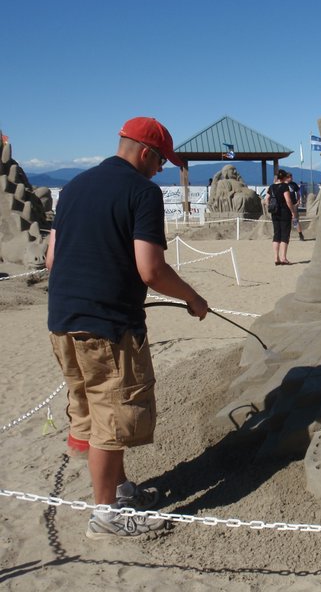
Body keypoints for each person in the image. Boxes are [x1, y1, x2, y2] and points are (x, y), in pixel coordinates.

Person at [46, 116, 209, 540]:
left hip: (62, 320)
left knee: (90, 410)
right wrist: (192, 298)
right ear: (144, 153)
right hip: (109, 327)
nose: (161, 170)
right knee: (113, 417)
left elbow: (51, 260)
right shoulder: (143, 192)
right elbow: (150, 269)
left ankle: (117, 492)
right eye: (160, 162)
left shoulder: (74, 187)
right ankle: (107, 516)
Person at [269, 169, 298, 264]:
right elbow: (288, 200)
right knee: (285, 235)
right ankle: (283, 258)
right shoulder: (285, 186)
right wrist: (293, 211)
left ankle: (275, 258)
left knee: (276, 234)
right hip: (284, 212)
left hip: (275, 212)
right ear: (285, 177)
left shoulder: (272, 187)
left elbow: (266, 199)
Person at [286, 172, 305, 241]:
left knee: (295, 220)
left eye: (291, 177)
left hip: (293, 204)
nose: (291, 179)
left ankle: (300, 234)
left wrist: (298, 200)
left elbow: (298, 192)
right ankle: (286, 236)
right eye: (290, 177)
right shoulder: (283, 185)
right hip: (285, 205)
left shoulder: (293, 184)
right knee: (286, 221)